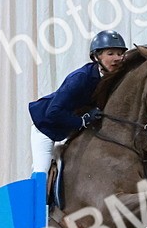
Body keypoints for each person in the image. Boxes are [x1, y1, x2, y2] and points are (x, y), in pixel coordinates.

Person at [28, 30, 127, 174]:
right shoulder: (80, 78)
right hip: (46, 126)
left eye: (120, 54)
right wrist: (82, 121)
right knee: (41, 171)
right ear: (96, 57)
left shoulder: (113, 78)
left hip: (71, 129)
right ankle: (36, 194)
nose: (117, 58)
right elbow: (53, 112)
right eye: (110, 53)